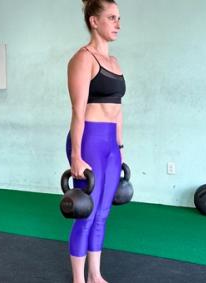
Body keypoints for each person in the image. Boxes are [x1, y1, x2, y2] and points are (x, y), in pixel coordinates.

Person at [65, 0, 125, 282]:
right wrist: (76, 156)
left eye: (118, 18)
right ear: (94, 21)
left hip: (110, 144)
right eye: (111, 18)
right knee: (86, 214)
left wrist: (120, 147)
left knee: (102, 213)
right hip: (88, 140)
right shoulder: (83, 58)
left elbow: (119, 109)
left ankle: (95, 275)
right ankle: (79, 279)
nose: (117, 23)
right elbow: (77, 111)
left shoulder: (114, 62)